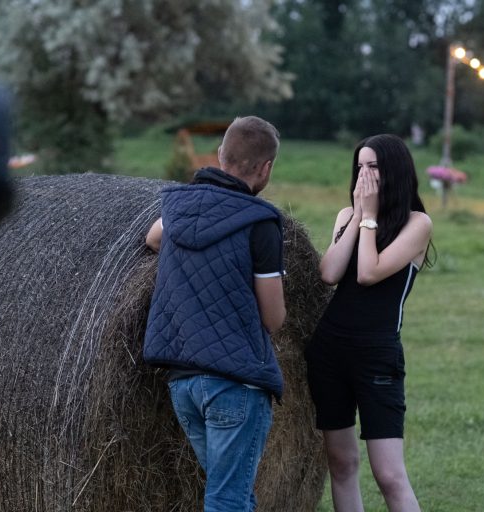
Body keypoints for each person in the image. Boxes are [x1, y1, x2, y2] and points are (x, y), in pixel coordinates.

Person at [143, 116, 286, 512]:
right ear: (266, 168)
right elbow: (273, 318)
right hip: (235, 385)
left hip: (183, 384)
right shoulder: (261, 223)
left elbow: (153, 238)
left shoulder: (178, 206)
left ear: (221, 155)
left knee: (234, 494)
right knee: (227, 499)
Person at [305, 134, 433, 512]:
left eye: (373, 166)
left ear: (394, 170)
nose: (364, 175)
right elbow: (328, 273)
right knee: (342, 464)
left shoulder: (417, 223)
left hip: (376, 354)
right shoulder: (347, 215)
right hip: (329, 350)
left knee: (389, 475)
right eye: (359, 166)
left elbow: (368, 272)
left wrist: (371, 218)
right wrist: (358, 215)